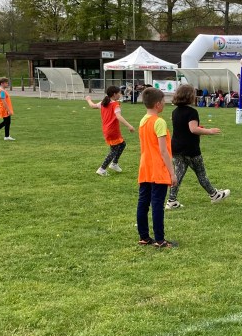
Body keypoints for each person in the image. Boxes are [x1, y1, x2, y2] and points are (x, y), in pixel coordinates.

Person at [165, 84, 230, 210]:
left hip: (176, 148)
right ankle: (214, 195)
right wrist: (209, 131)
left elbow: (184, 129)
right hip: (191, 149)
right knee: (201, 174)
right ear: (190, 96)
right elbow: (193, 129)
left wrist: (199, 130)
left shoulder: (175, 112)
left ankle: (171, 201)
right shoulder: (192, 112)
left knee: (178, 175)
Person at [137, 87, 177, 248]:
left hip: (145, 167)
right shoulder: (159, 122)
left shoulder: (143, 120)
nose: (165, 103)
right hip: (157, 169)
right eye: (164, 101)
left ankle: (144, 237)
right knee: (157, 204)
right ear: (158, 104)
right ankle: (160, 240)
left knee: (143, 203)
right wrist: (172, 173)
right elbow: (163, 150)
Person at [86, 85, 135, 176]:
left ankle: (114, 163)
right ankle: (102, 169)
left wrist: (88, 99)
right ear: (114, 94)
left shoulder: (104, 102)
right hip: (112, 130)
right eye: (119, 93)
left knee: (122, 144)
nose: (120, 94)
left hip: (107, 129)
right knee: (114, 150)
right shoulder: (115, 104)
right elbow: (118, 116)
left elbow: (92, 106)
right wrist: (129, 126)